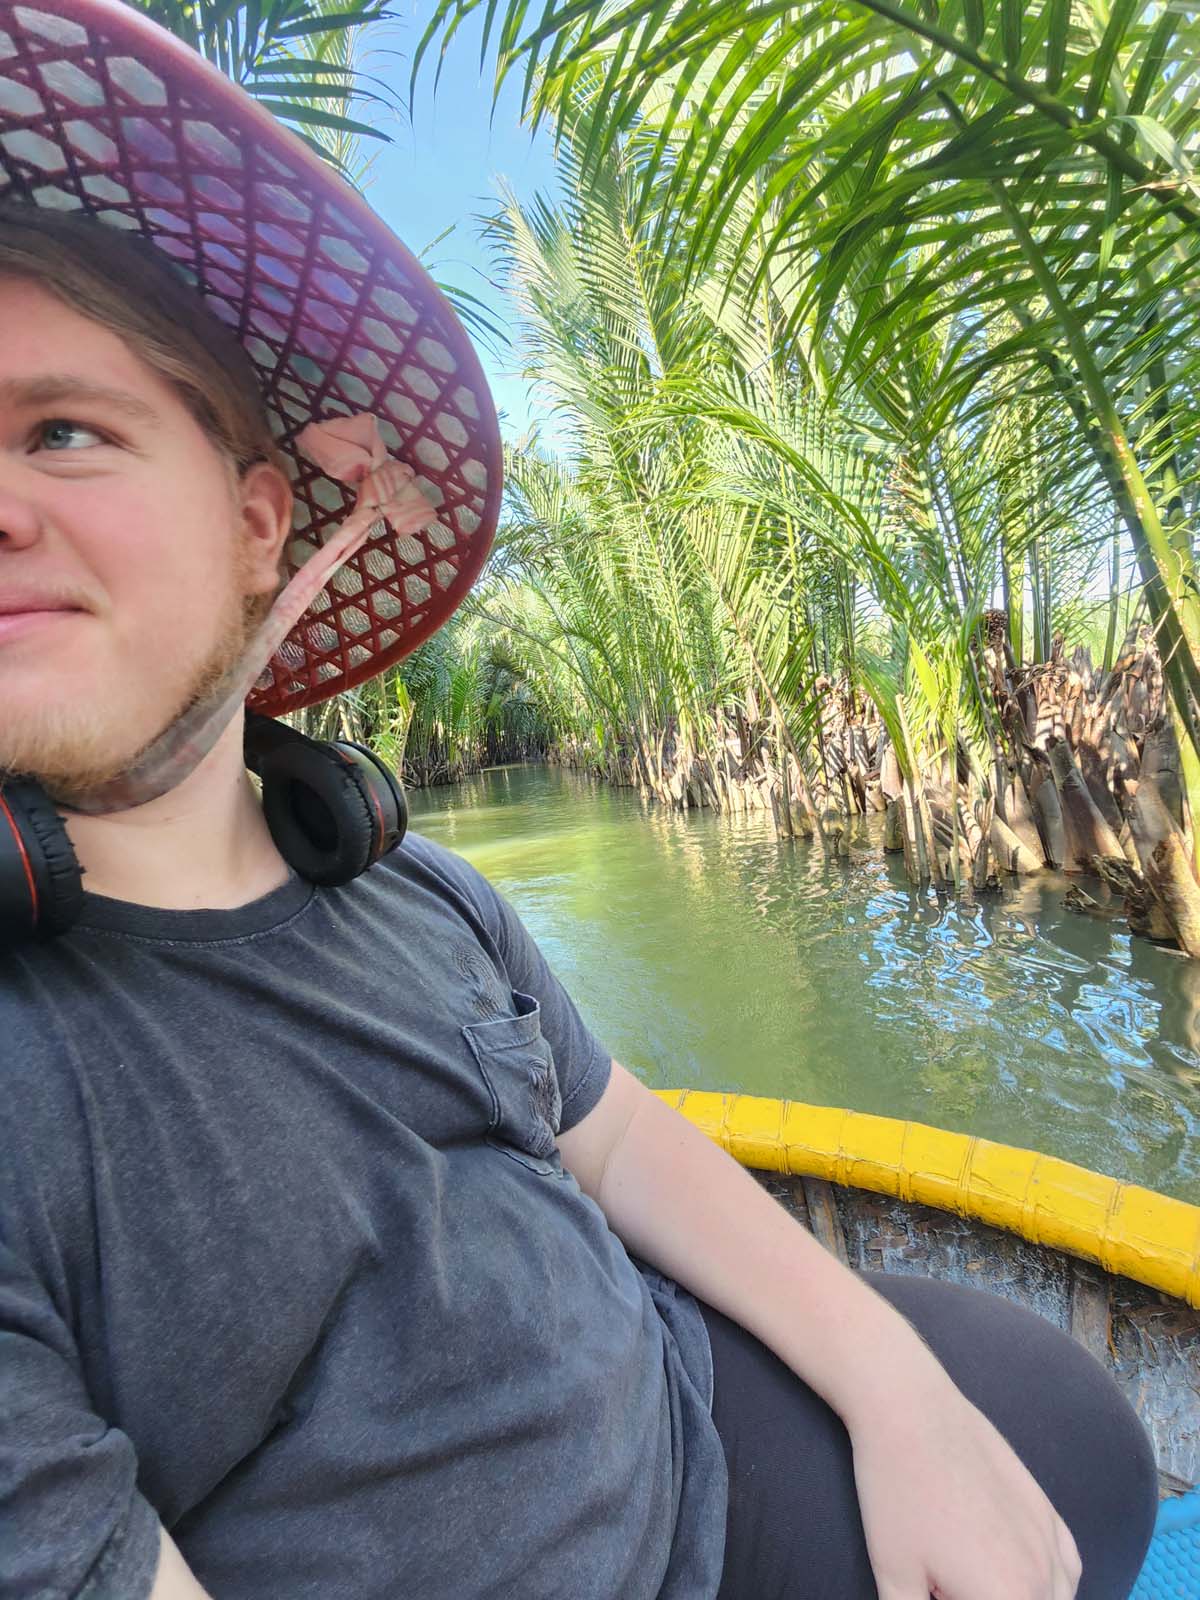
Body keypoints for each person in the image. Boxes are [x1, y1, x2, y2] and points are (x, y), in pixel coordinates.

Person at [0, 2, 1160, 1597]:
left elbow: (616, 1145)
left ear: (264, 525)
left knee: (1064, 1436)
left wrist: (899, 1394)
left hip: (674, 1424)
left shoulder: (411, 889)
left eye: (62, 431)